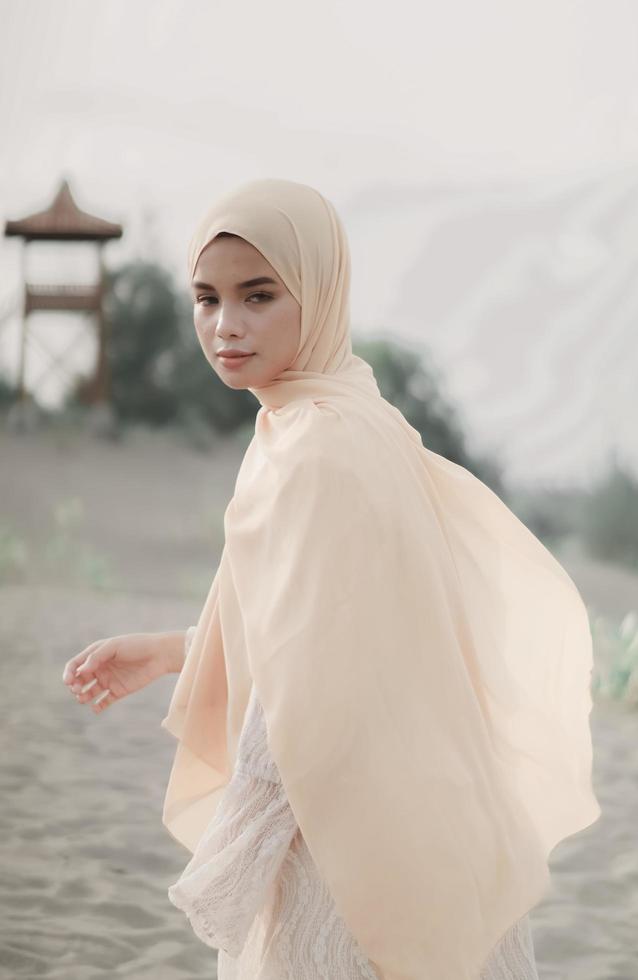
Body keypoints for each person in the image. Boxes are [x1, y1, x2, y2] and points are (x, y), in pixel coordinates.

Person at [63, 178, 601, 980]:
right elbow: (321, 622)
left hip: (347, 831)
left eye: (259, 296)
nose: (226, 326)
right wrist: (173, 649)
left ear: (317, 293)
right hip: (421, 801)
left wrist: (233, 860)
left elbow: (304, 683)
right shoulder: (340, 411)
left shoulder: (318, 442)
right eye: (206, 299)